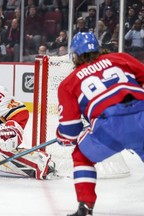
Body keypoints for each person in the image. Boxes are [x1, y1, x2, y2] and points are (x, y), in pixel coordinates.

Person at [56, 31, 144, 215]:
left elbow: (70, 132)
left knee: (82, 156)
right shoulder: (120, 58)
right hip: (141, 113)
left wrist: (62, 137)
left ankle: (85, 207)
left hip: (109, 125)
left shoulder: (68, 83)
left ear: (75, 55)